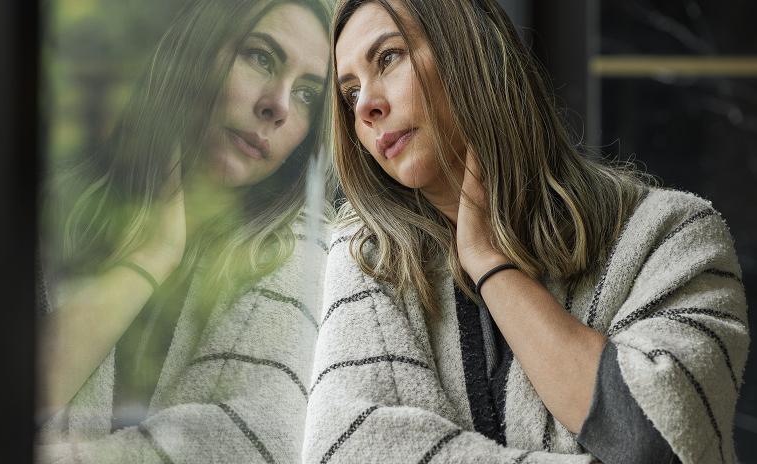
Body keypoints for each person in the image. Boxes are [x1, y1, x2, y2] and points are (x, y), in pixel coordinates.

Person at [305, 0, 748, 463]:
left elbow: (659, 438)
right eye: (350, 93)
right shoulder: (369, 258)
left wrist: (488, 262)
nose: (366, 107)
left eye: (389, 58)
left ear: (468, 50)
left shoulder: (673, 234)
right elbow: (350, 449)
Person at [36, 0, 333, 462]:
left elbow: (243, 445)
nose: (276, 105)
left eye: (307, 94)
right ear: (196, 53)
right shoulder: (58, 210)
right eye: (261, 57)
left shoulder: (307, 259)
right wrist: (153, 254)